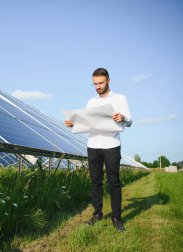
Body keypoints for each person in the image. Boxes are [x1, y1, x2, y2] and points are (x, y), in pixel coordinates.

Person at [64, 68, 132, 232]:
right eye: (95, 84)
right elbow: (88, 123)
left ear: (108, 80)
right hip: (93, 145)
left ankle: (116, 217)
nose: (98, 86)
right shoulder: (91, 102)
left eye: (101, 83)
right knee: (95, 182)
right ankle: (97, 214)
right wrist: (74, 125)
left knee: (113, 182)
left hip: (111, 144)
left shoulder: (120, 98)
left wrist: (123, 117)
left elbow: (129, 121)